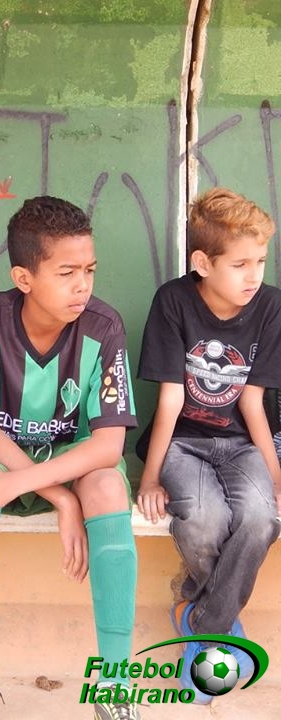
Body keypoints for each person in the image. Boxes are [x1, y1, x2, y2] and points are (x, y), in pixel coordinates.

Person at [0, 196, 140, 720]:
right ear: (24, 278)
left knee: (108, 485)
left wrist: (58, 493)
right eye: (67, 273)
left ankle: (116, 683)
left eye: (90, 270)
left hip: (74, 464)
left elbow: (107, 446)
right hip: (6, 457)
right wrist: (58, 499)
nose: (83, 285)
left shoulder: (103, 326)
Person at [136, 187, 281, 702]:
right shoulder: (173, 301)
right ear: (202, 263)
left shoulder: (270, 306)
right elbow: (171, 400)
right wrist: (150, 478)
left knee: (262, 518)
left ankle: (202, 623)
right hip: (183, 444)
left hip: (242, 444)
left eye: (260, 261)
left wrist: (276, 478)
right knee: (203, 522)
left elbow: (252, 401)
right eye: (240, 264)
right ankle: (220, 632)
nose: (253, 275)